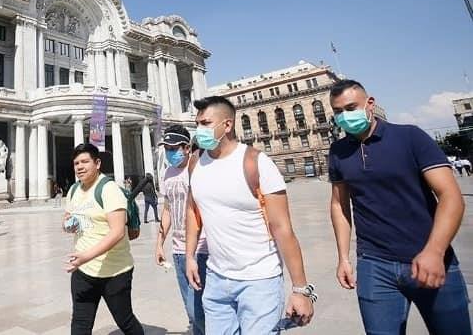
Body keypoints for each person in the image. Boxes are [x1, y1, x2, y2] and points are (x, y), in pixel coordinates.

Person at [328, 79, 471, 334]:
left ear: (370, 104)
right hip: (374, 264)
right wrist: (343, 258)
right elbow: (339, 205)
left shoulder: (410, 136)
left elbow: (450, 196)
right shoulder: (338, 151)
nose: (345, 116)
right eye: (338, 112)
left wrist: (435, 251)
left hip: (431, 259)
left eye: (350, 108)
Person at [186, 96, 315, 334]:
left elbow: (282, 228)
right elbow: (192, 211)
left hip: (259, 280)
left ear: (227, 125)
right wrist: (190, 256)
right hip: (216, 279)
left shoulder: (256, 162)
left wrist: (300, 289)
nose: (199, 130)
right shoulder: (195, 163)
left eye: (205, 123)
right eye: (197, 124)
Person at [63, 143, 144, 335]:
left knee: (125, 320)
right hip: (83, 271)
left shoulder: (109, 189)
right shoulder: (73, 190)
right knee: (80, 324)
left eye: (85, 162)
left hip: (114, 272)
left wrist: (85, 256)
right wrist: (68, 225)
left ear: (97, 163)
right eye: (76, 163)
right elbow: (67, 219)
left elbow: (117, 232)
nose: (80, 167)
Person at [155, 125, 208, 335]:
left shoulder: (199, 169)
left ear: (187, 148)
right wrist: (160, 243)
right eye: (167, 148)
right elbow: (167, 209)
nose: (170, 152)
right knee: (191, 308)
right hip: (178, 250)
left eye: (173, 148)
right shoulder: (167, 173)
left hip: (201, 248)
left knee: (199, 309)